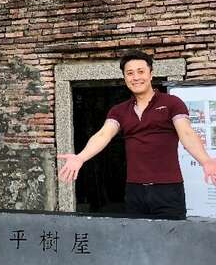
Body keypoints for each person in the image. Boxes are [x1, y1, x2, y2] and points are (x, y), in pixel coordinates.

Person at [58, 50, 216, 220]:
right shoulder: (119, 111)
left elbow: (186, 133)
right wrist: (80, 157)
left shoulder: (171, 103)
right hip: (135, 191)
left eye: (141, 71)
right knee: (137, 242)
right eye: (130, 73)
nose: (136, 77)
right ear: (125, 78)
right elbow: (103, 135)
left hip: (168, 189)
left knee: (171, 243)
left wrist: (205, 160)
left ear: (150, 74)